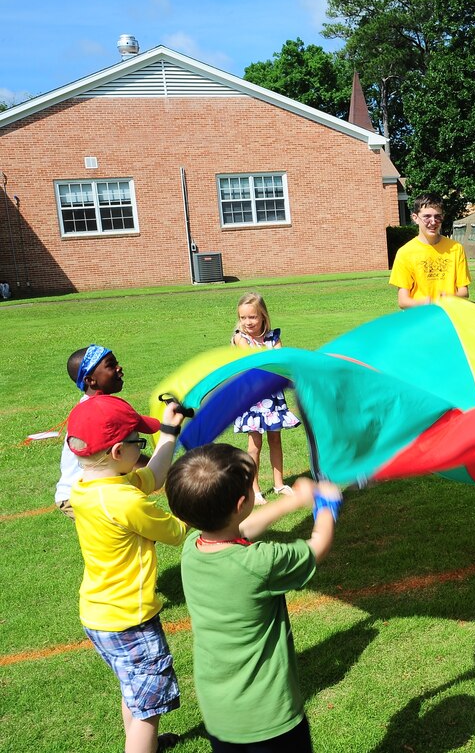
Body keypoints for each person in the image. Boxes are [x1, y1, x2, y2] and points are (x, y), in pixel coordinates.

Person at [165, 443, 342, 752]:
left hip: (220, 712)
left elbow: (243, 527)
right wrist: (327, 504)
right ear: (241, 502)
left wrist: (294, 502)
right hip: (269, 715)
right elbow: (318, 545)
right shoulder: (260, 563)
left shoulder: (193, 548)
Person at [67, 394, 189, 753]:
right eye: (138, 440)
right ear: (119, 452)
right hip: (130, 620)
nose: (142, 445)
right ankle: (141, 743)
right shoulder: (125, 502)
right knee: (149, 709)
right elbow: (177, 531)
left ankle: (141, 742)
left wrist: (168, 433)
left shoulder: (90, 488)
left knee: (134, 690)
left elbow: (153, 476)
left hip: (99, 614)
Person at [231, 292, 301, 505]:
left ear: (263, 316)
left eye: (252, 317)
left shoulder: (273, 337)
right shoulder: (240, 338)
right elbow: (258, 360)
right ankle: (255, 489)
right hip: (252, 398)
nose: (247, 322)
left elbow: (279, 361)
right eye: (243, 318)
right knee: (254, 444)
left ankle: (279, 484)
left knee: (275, 439)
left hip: (272, 397)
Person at [55, 345, 136, 518]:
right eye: (111, 365)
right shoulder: (98, 415)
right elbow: (124, 453)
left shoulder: (99, 406)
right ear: (90, 380)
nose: (119, 368)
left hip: (90, 491)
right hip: (80, 495)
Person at [389, 193, 471, 308]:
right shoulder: (405, 253)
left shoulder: (456, 248)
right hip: (421, 319)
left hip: (449, 317)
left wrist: (449, 297)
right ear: (415, 218)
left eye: (438, 216)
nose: (433, 222)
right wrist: (427, 302)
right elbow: (403, 302)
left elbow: (464, 292)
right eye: (427, 216)